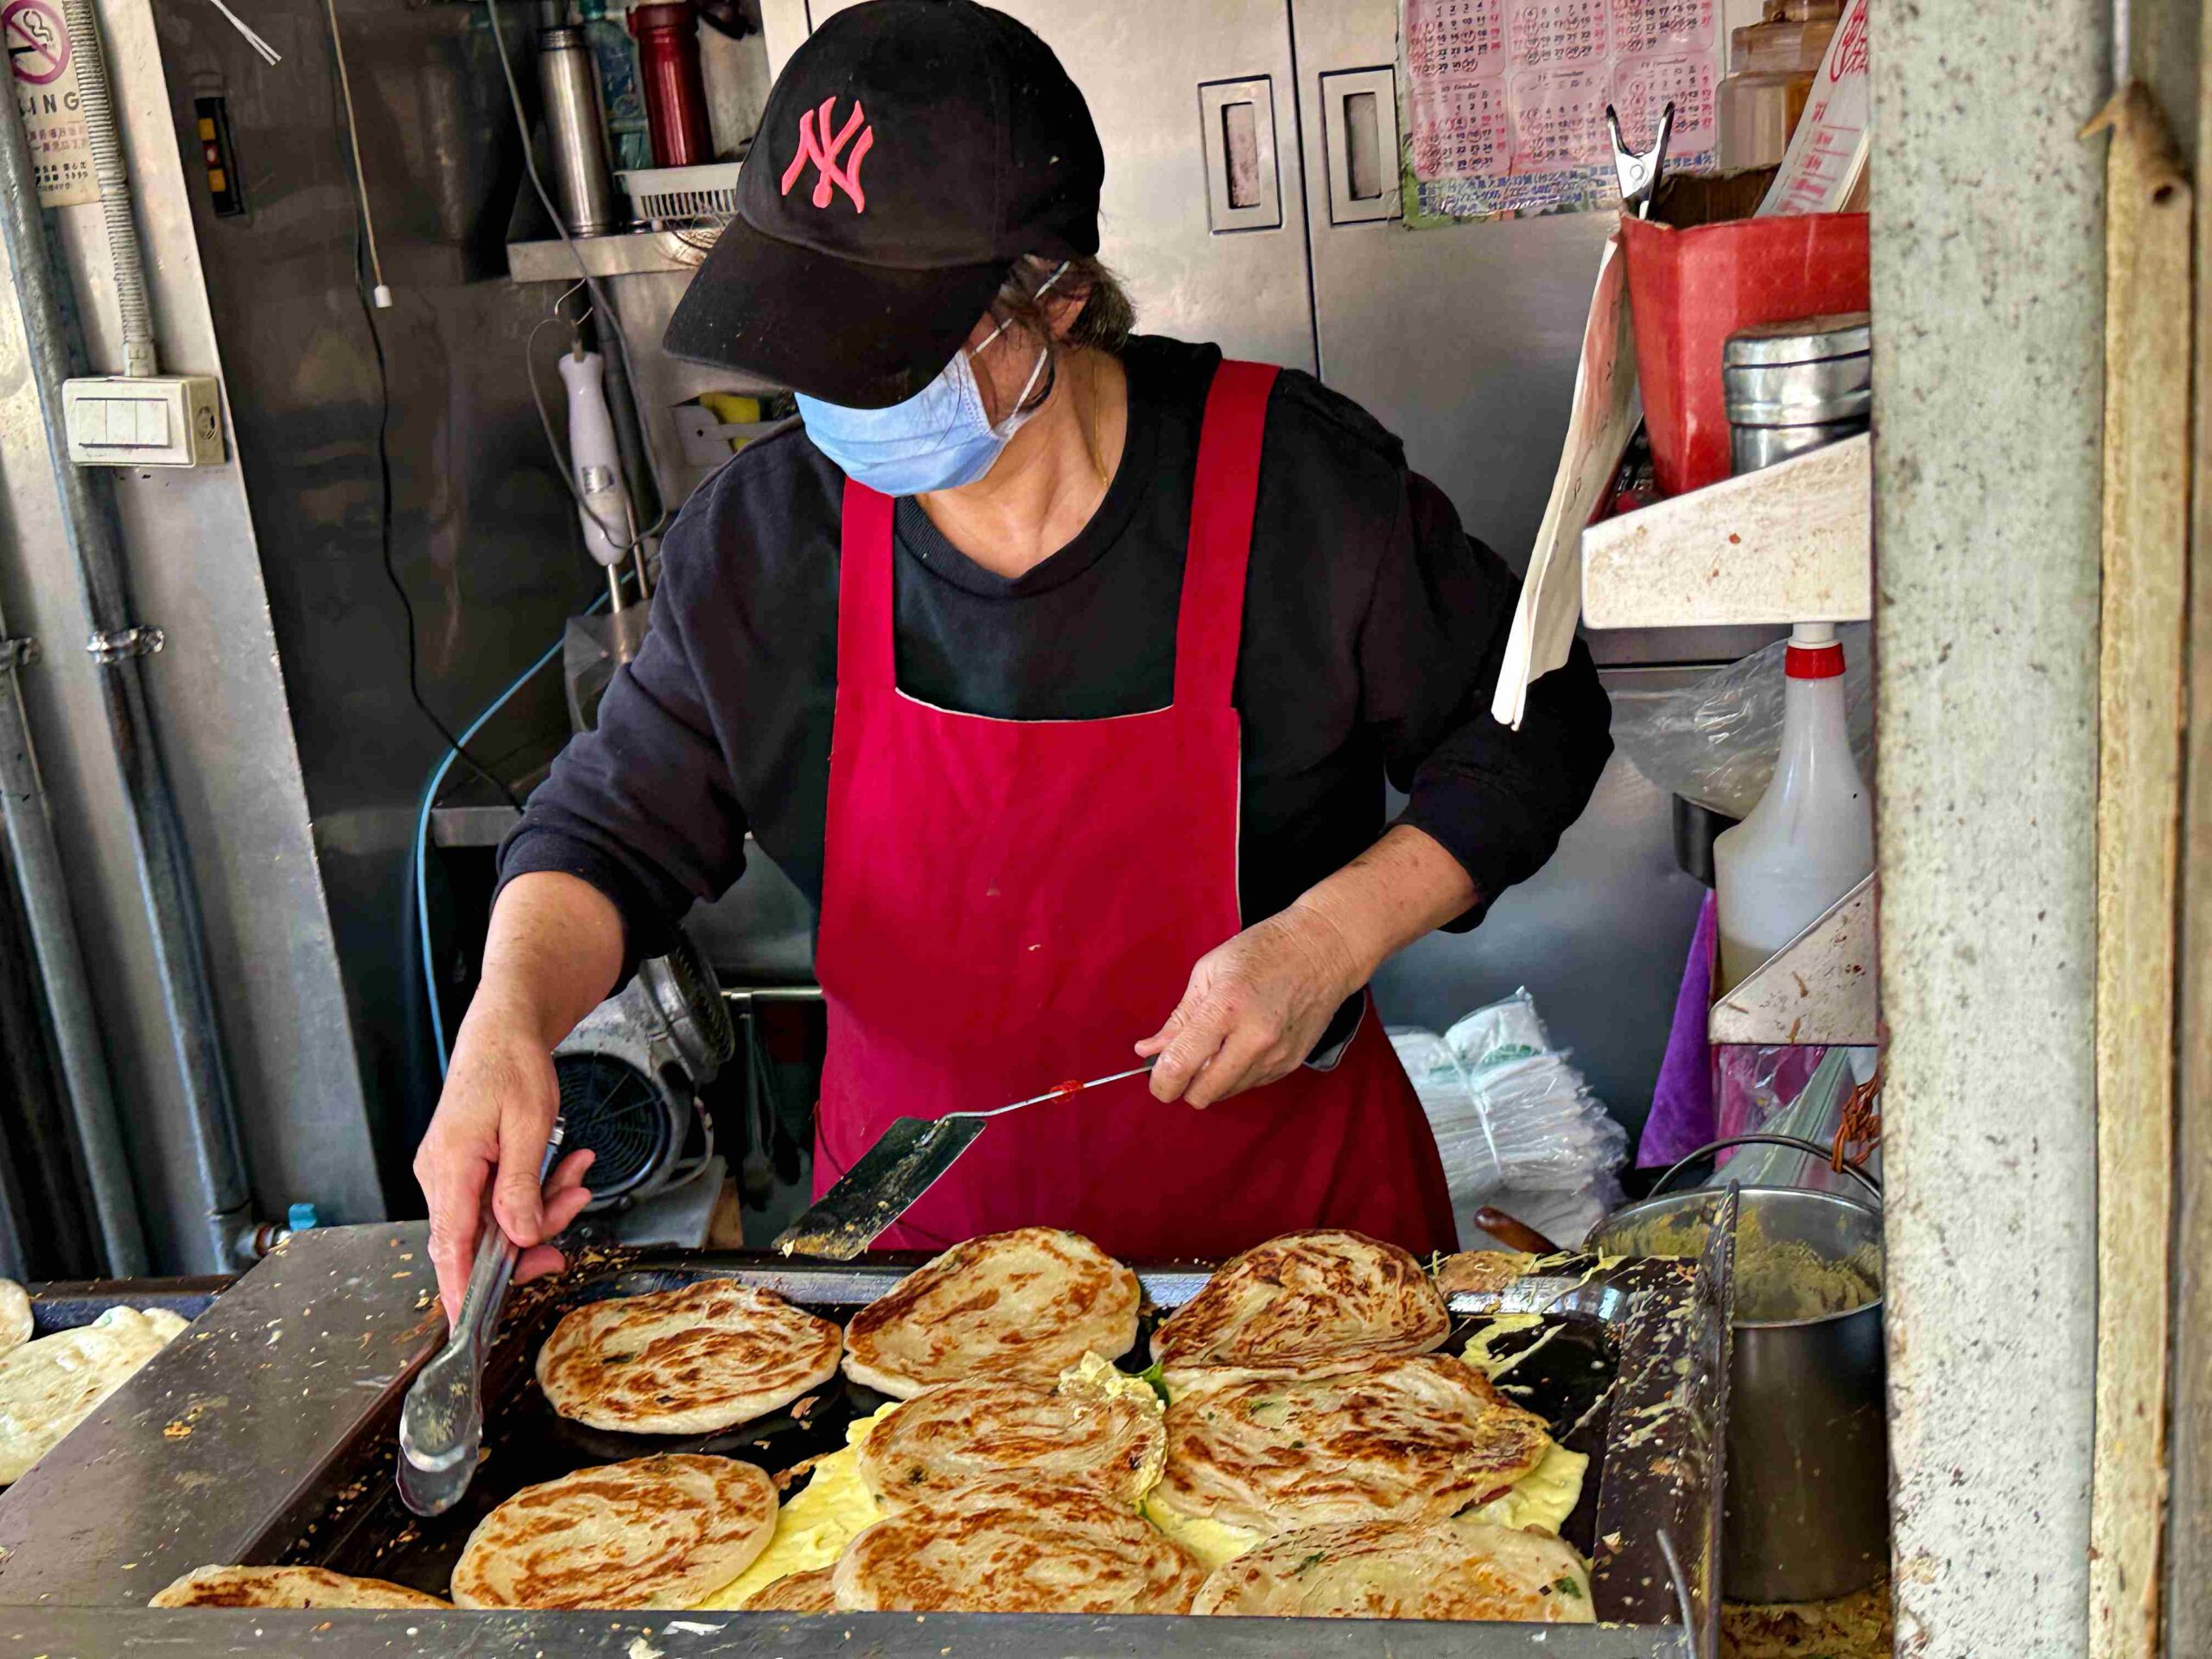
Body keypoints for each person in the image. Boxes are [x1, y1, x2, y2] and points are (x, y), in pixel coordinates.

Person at [414, 0, 1611, 1320]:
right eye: (813, 340)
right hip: (926, 1293)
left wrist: (1332, 936)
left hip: (1300, 1283)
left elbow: (1533, 725)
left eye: (887, 346)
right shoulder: (765, 540)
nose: (843, 393)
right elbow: (608, 831)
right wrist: (507, 1021)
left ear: (1059, 296)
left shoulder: (1299, 490)